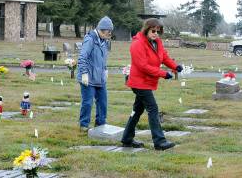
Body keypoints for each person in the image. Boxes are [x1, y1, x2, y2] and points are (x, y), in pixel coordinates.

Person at [121, 18, 183, 150]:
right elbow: (143, 66)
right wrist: (162, 73)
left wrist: (175, 66)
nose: (156, 34)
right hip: (139, 83)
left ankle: (126, 138)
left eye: (158, 31)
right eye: (153, 31)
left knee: (137, 110)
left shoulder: (157, 42)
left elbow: (164, 57)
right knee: (153, 109)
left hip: (147, 82)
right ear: (147, 29)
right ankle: (159, 141)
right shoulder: (137, 44)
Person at [77, 16, 113, 132]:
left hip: (100, 78)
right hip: (88, 77)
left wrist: (105, 69)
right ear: (102, 29)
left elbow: (103, 59)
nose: (110, 34)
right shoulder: (90, 39)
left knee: (103, 102)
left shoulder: (104, 41)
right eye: (108, 31)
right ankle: (84, 125)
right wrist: (84, 74)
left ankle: (101, 124)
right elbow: (82, 57)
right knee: (87, 102)